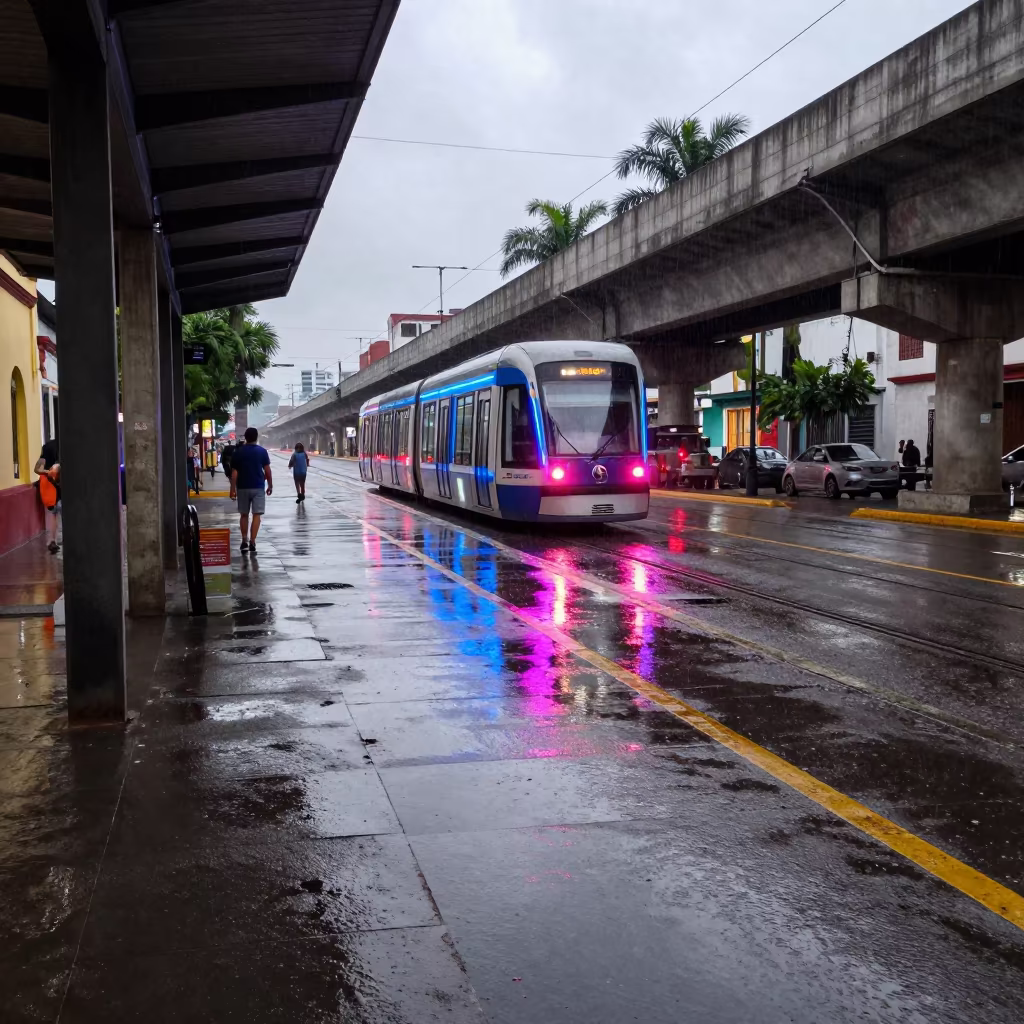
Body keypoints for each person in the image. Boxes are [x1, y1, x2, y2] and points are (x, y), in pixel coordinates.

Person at [229, 426, 272, 553]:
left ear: (245, 438)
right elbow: (267, 471)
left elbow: (234, 473)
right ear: (257, 437)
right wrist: (270, 485)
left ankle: (244, 540)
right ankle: (253, 541)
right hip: (258, 487)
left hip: (242, 487)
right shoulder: (262, 451)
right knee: (256, 515)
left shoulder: (238, 452)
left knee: (244, 515)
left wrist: (232, 489)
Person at [34, 437, 60, 554]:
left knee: (53, 513)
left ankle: (52, 540)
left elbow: (37, 469)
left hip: (51, 486)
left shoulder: (48, 446)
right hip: (60, 485)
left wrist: (47, 473)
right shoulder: (73, 444)